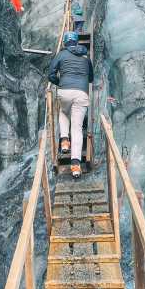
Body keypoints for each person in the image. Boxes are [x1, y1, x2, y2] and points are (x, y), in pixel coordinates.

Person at [48, 31, 94, 178]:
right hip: (81, 93)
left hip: (65, 91)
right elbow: (91, 78)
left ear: (65, 43)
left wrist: (59, 82)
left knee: (63, 112)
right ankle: (75, 165)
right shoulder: (85, 57)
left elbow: (51, 74)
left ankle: (64, 141)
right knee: (77, 128)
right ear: (76, 42)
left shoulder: (61, 55)